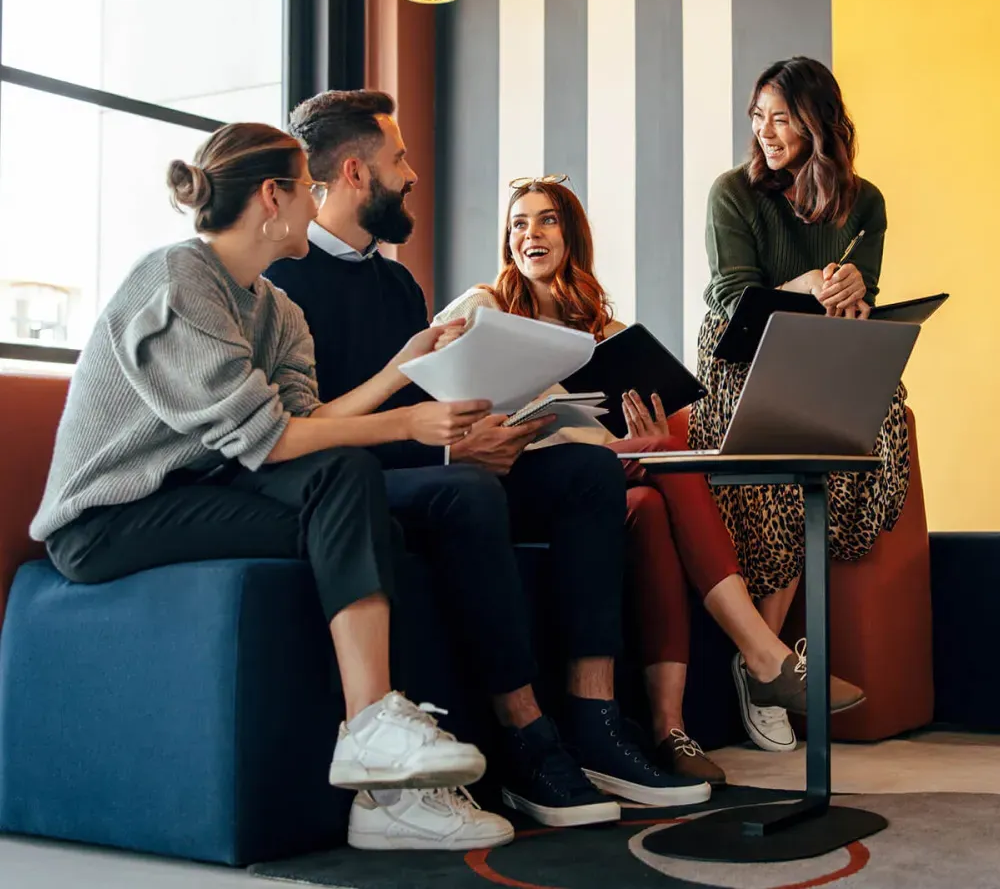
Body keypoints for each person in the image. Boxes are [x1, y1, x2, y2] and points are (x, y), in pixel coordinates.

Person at [27, 122, 516, 853]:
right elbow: (276, 440)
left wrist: (401, 371)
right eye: (307, 189)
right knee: (347, 482)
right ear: (272, 197)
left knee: (367, 513)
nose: (317, 204)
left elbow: (304, 421)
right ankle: (374, 734)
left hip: (195, 492)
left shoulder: (277, 309)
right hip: (107, 519)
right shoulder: (177, 281)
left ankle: (384, 791)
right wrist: (408, 422)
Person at [265, 90, 713, 825]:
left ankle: (595, 723)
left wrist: (473, 437)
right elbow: (308, 429)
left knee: (587, 475)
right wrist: (451, 451)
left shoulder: (397, 283)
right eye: (399, 158)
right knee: (468, 493)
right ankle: (526, 741)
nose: (412, 174)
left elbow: (437, 397)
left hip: (423, 464)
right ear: (354, 172)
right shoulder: (282, 283)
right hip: (344, 482)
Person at [434, 176, 864, 776]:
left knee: (664, 473)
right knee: (653, 475)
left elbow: (619, 445)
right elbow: (432, 382)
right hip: (512, 481)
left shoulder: (608, 336)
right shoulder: (485, 306)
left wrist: (648, 442)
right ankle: (763, 657)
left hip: (597, 487)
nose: (531, 233)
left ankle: (672, 730)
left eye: (547, 220)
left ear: (572, 236)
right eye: (519, 223)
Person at [687, 55, 907, 751]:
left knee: (883, 414)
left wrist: (852, 296)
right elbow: (730, 297)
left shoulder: (864, 200)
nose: (767, 130)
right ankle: (770, 663)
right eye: (759, 116)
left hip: (817, 351)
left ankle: (765, 663)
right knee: (783, 464)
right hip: (741, 357)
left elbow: (861, 289)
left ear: (818, 122)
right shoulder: (734, 192)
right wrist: (807, 283)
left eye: (781, 117)